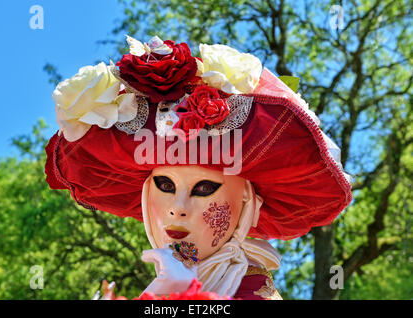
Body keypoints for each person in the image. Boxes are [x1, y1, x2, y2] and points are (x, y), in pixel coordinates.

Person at [45, 36, 352, 300]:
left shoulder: (251, 291)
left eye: (204, 188)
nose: (177, 209)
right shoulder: (165, 287)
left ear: (246, 202)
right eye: (165, 185)